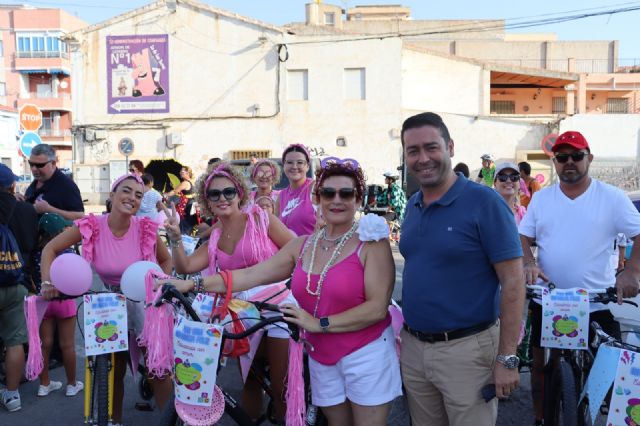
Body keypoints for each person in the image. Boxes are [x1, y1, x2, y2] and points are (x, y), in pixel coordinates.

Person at [160, 158, 402, 426]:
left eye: (346, 193)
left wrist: (318, 323)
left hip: (364, 352)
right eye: (328, 193)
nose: (336, 199)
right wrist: (193, 284)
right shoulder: (303, 246)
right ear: (318, 198)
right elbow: (250, 275)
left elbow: (377, 308)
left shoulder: (371, 244)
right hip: (321, 352)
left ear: (358, 199)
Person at [399, 112, 524, 426]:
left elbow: (513, 281)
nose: (423, 158)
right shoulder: (413, 205)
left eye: (431, 147)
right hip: (414, 349)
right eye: (413, 151)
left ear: (450, 147)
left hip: (467, 352)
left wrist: (507, 358)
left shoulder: (485, 203)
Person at [518, 130, 640, 426]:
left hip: (596, 300)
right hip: (550, 300)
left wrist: (632, 271)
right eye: (562, 157)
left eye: (576, 155)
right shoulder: (542, 199)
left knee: (614, 371)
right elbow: (523, 237)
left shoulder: (612, 197)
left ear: (590, 158)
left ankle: (600, 412)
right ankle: (539, 417)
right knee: (540, 365)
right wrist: (529, 263)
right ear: (555, 162)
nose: (569, 162)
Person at [162, 161, 295, 423]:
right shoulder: (215, 237)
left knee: (281, 389)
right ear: (207, 201)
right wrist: (176, 238)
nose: (222, 198)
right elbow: (185, 266)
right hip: (241, 313)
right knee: (251, 381)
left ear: (240, 194)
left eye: (228, 192)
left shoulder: (261, 218)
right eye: (214, 194)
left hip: (276, 306)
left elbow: (295, 252)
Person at [40, 173, 173, 425]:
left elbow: (166, 259)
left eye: (138, 195)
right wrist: (48, 282)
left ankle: (172, 420)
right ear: (112, 195)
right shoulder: (92, 225)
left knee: (158, 368)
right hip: (109, 301)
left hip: (144, 300)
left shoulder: (145, 227)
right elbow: (50, 249)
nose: (132, 198)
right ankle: (114, 420)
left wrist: (161, 283)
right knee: (114, 368)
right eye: (126, 191)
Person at [32, 213, 83, 398]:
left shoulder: (37, 251)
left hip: (43, 302)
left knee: (44, 345)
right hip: (65, 301)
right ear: (58, 232)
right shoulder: (67, 252)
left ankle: (44, 384)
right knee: (67, 345)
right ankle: (72, 384)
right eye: (63, 229)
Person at [0, 164, 38, 412]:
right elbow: (30, 243)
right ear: (12, 185)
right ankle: (12, 395)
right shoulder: (24, 209)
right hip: (15, 281)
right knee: (14, 341)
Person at [22, 144, 84, 220]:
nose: (34, 169)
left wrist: (49, 209)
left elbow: (80, 217)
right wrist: (20, 201)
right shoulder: (36, 183)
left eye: (39, 165)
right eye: (31, 164)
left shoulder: (66, 186)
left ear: (53, 164)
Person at [276, 144, 318, 236]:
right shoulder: (281, 196)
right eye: (289, 162)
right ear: (284, 165)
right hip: (289, 249)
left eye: (300, 162)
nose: (294, 167)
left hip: (311, 248)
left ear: (307, 166)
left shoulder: (315, 188)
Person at [164, 165, 196, 234]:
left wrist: (165, 195)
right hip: (192, 205)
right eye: (180, 171)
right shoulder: (192, 182)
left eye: (182, 171)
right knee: (188, 225)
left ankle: (182, 241)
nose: (180, 172)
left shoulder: (185, 183)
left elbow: (175, 191)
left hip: (186, 206)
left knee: (183, 226)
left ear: (188, 173)